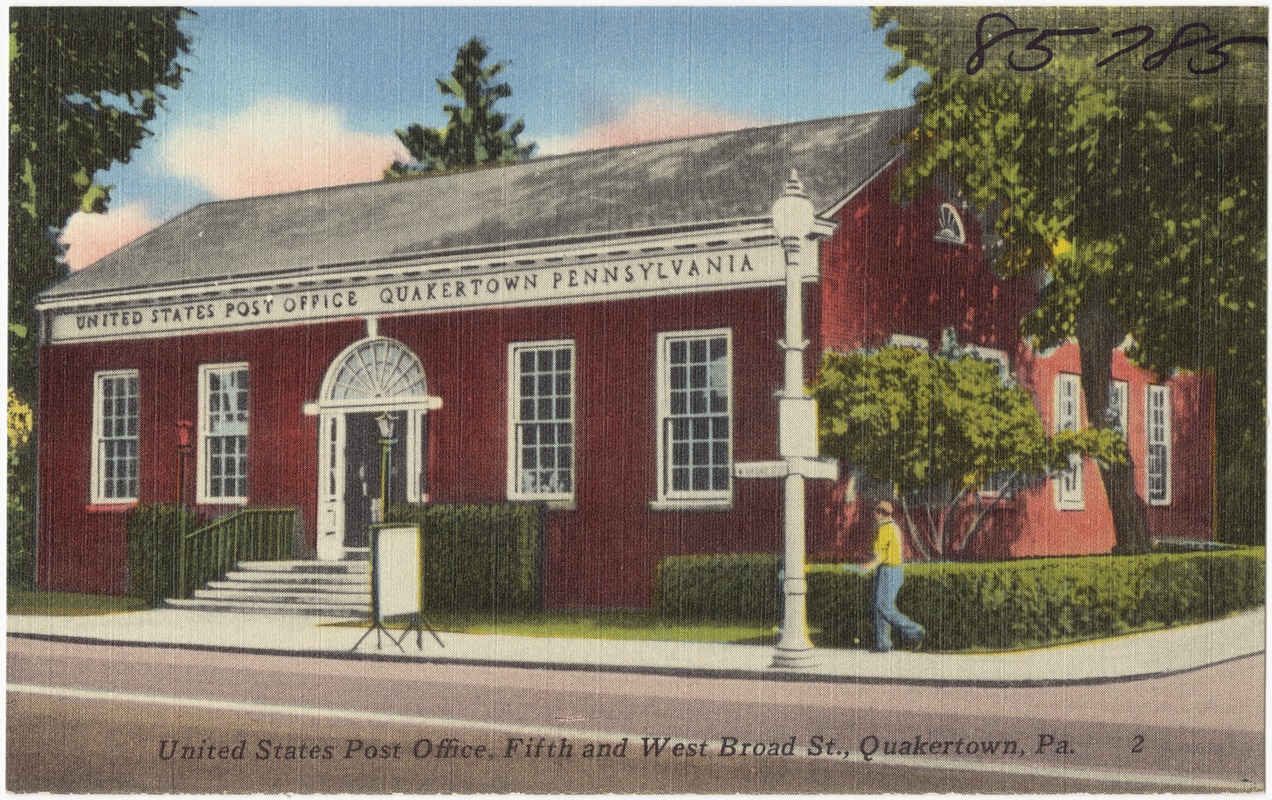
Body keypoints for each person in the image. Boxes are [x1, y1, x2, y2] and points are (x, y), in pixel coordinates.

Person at [859, 500, 925, 653]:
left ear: (880, 513)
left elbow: (880, 556)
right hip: (894, 570)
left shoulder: (884, 529)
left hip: (888, 571)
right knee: (878, 606)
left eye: (875, 512)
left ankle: (915, 631)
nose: (874, 515)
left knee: (882, 607)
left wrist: (866, 566)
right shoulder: (894, 526)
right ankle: (882, 643)